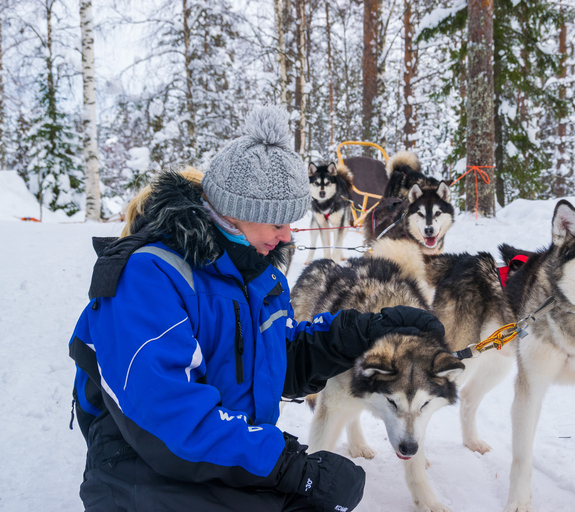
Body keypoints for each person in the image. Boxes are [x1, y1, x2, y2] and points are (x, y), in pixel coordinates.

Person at [68, 106, 444, 512]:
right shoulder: (148, 277)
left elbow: (276, 359)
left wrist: (362, 331)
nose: (287, 235)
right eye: (277, 222)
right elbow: (167, 414)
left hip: (215, 457)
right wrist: (288, 466)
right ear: (236, 214)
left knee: (329, 498)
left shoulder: (256, 276)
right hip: (142, 468)